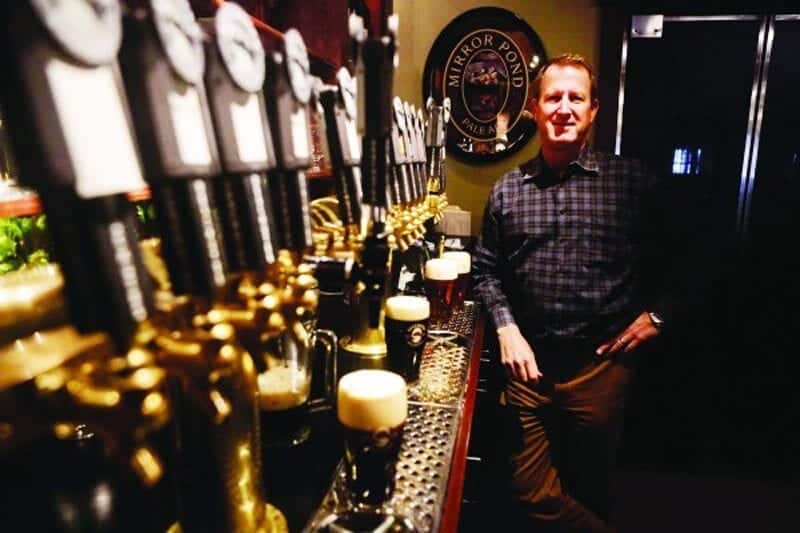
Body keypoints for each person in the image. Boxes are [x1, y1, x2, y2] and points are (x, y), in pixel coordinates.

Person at [472, 53, 680, 531]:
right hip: (528, 370)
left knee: (591, 486)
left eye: (575, 98)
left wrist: (659, 315)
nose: (563, 108)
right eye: (552, 98)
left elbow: (689, 255)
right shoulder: (507, 190)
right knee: (528, 491)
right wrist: (505, 328)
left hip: (601, 368)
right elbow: (485, 270)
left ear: (592, 110)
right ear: (534, 109)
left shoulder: (633, 182)